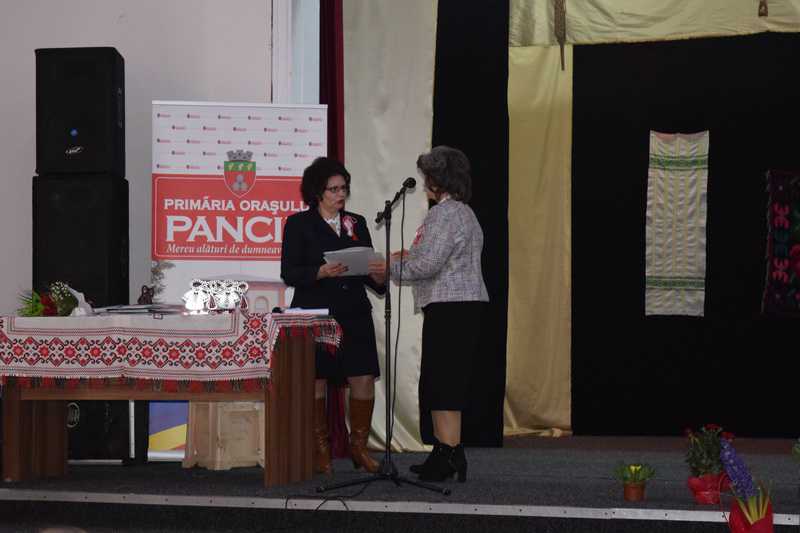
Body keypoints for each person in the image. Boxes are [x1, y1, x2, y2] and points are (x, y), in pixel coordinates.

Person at [371, 146, 488, 482]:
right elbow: (437, 257)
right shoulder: (461, 212)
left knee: (445, 381)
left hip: (452, 308)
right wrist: (408, 256)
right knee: (442, 380)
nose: (424, 184)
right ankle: (446, 450)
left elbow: (428, 265)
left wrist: (389, 267)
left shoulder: (445, 214)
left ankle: (448, 453)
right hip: (458, 306)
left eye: (428, 177)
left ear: (439, 179)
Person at [280, 157, 386, 475]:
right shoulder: (298, 224)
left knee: (363, 376)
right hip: (317, 313)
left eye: (344, 188)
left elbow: (368, 273)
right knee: (317, 380)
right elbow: (289, 272)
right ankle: (321, 450)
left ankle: (359, 448)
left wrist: (378, 276)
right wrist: (320, 272)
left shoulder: (357, 222)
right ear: (317, 192)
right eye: (334, 189)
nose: (341, 195)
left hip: (354, 311)